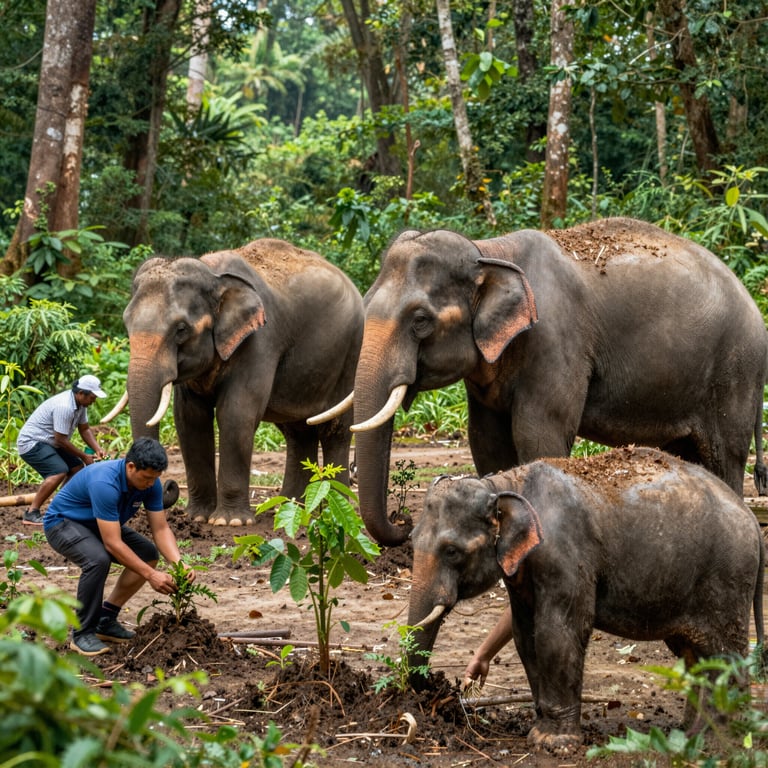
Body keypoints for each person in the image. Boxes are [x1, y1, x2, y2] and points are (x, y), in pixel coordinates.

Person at [43, 437, 195, 656]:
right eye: (147, 478)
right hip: (63, 523)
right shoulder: (105, 482)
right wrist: (151, 575)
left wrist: (179, 563)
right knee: (97, 560)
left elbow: (161, 529)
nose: (151, 483)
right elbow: (112, 543)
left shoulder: (151, 483)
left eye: (155, 478)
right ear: (130, 466)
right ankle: (82, 633)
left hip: (98, 524)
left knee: (147, 553)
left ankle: (106, 619)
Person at [17, 374, 108, 525]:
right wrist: (85, 456)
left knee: (77, 468)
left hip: (50, 442)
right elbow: (60, 439)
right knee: (58, 472)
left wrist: (97, 449)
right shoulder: (64, 406)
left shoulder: (80, 405)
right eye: (92, 397)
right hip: (32, 442)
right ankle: (31, 512)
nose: (94, 401)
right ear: (81, 393)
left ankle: (59, 506)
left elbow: (84, 429)